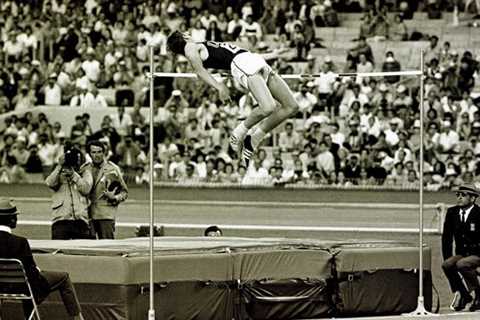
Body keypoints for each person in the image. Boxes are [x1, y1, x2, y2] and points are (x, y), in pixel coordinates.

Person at [166, 31, 299, 166]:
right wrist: (220, 87)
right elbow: (199, 71)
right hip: (244, 63)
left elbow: (241, 54)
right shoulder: (189, 47)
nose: (189, 33)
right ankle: (238, 133)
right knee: (269, 107)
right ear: (183, 38)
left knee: (292, 106)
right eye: (185, 33)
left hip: (251, 59)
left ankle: (253, 139)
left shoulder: (197, 46)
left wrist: (274, 54)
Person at [0, 198, 85, 320]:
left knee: (27, 282)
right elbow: (31, 273)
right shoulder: (20, 242)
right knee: (63, 277)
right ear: (12, 219)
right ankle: (78, 318)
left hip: (2, 286)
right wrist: (38, 271)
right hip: (22, 286)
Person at [442, 184, 480, 312]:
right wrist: (447, 257)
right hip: (462, 253)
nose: (459, 197)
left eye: (463, 195)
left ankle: (479, 294)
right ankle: (464, 294)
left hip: (478, 253)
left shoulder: (479, 213)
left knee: (462, 264)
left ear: (473, 198)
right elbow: (447, 238)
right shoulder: (452, 212)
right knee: (447, 264)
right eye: (457, 194)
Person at [45, 144, 93, 240]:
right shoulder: (58, 170)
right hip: (61, 219)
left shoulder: (85, 171)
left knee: (82, 251)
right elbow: (50, 183)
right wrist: (59, 166)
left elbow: (86, 189)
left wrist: (73, 175)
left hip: (80, 219)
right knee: (59, 250)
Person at [87, 140, 128, 239]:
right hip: (88, 214)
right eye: (93, 152)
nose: (97, 155)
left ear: (104, 153)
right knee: (87, 247)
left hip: (106, 215)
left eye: (99, 152)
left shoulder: (112, 169)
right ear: (89, 154)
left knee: (107, 247)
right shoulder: (85, 169)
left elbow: (124, 192)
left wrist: (114, 197)